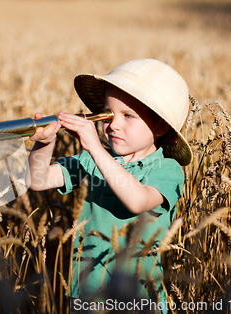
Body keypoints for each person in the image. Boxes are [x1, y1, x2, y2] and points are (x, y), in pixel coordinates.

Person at [26, 58, 192, 311]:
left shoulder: (167, 170)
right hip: (87, 292)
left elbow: (138, 200)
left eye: (128, 116)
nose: (113, 124)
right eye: (108, 114)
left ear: (160, 126)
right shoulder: (92, 159)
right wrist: (44, 143)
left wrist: (94, 147)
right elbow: (37, 180)